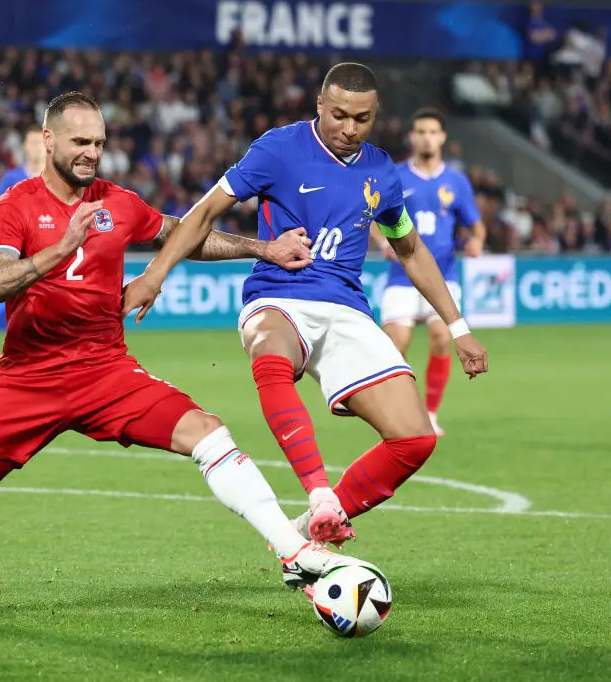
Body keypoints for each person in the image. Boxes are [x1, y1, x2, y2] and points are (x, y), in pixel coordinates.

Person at [0, 91, 351, 615]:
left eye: (99, 143)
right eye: (80, 142)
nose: (91, 153)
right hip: (28, 379)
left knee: (207, 431)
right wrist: (61, 249)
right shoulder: (14, 207)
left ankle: (294, 550)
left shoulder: (118, 202)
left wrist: (262, 247)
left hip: (106, 371)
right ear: (48, 140)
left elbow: (184, 234)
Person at [123, 64, 489, 555]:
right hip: (278, 295)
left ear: (375, 117)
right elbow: (205, 212)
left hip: (346, 309)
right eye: (338, 115)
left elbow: (410, 249)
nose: (348, 128)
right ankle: (319, 492)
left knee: (416, 439)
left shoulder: (382, 170)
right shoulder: (279, 148)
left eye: (361, 119)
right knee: (271, 351)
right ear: (319, 105)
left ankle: (311, 527)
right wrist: (154, 274)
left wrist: (458, 326)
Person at [373, 108, 486, 436]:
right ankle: (397, 411)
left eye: (432, 131)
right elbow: (371, 219)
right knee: (396, 344)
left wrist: (476, 242)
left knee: (440, 337)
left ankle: (430, 414)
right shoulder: (394, 176)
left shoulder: (456, 182)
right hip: (402, 278)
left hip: (443, 276)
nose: (426, 137)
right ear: (411, 136)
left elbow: (475, 227)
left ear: (442, 138)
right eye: (420, 131)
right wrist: (382, 242)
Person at [0, 125, 45, 220]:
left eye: (40, 143)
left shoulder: (59, 179)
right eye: (33, 143)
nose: (36, 147)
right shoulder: (11, 178)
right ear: (24, 146)